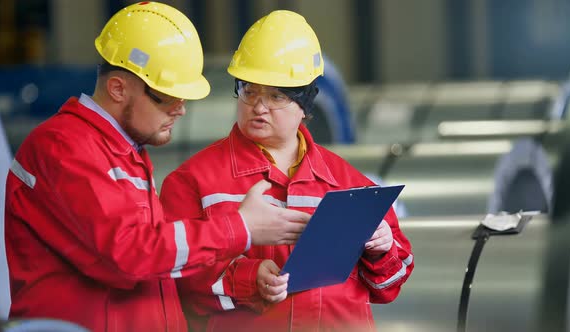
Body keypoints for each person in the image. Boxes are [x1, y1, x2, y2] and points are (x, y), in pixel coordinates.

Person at [3, 3, 310, 332]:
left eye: (183, 98)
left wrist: (247, 273)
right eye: (166, 97)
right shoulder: (64, 148)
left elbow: (161, 263)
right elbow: (129, 256)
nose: (180, 110)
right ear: (118, 88)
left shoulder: (121, 152)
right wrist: (239, 228)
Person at [159, 10, 414, 332]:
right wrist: (248, 279)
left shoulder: (350, 185)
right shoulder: (193, 182)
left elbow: (390, 285)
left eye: (276, 96)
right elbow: (174, 280)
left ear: (305, 106)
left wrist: (384, 248)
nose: (258, 107)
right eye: (249, 91)